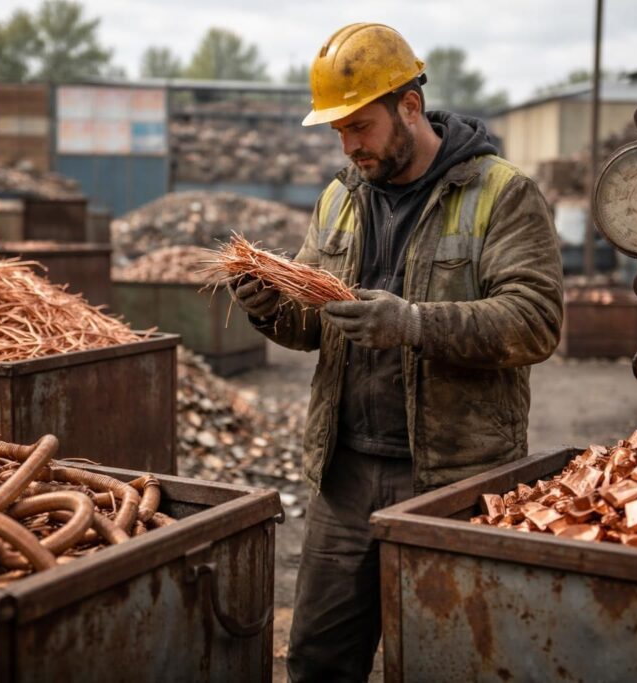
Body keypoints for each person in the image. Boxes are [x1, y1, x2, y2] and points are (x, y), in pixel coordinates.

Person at [229, 22, 564, 682]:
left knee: (445, 661)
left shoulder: (501, 195)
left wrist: (413, 322)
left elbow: (536, 322)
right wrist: (269, 308)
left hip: (452, 479)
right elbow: (313, 327)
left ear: (409, 105)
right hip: (345, 475)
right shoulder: (338, 199)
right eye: (338, 130)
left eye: (361, 125)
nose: (349, 145)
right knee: (319, 659)